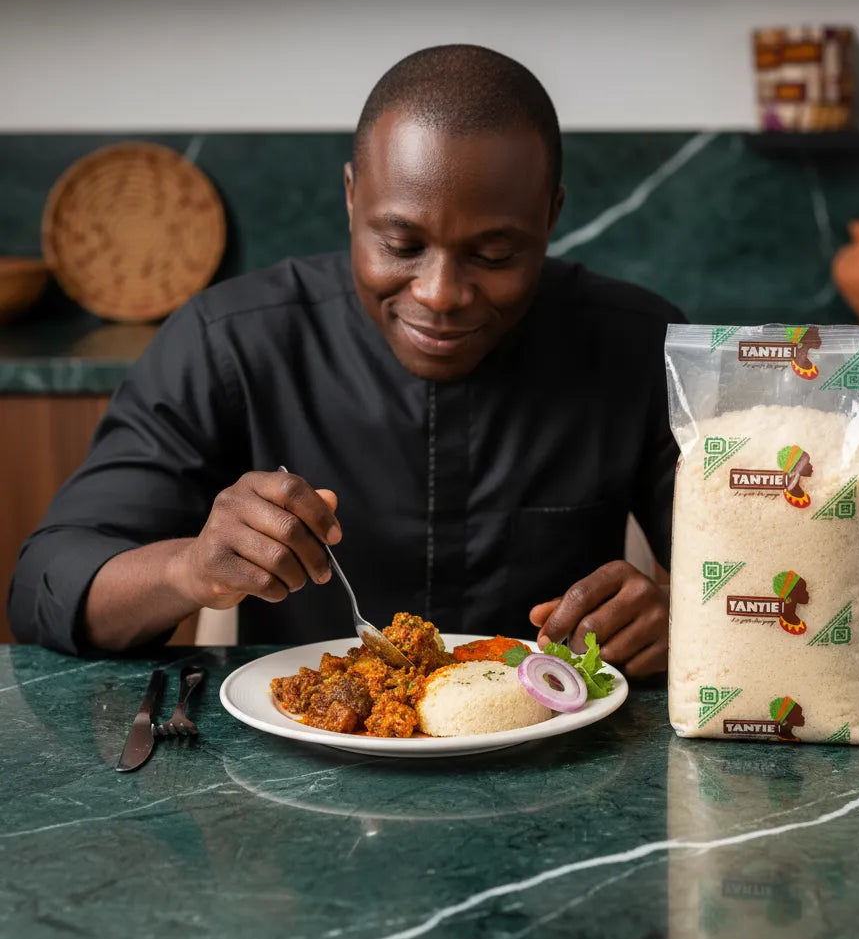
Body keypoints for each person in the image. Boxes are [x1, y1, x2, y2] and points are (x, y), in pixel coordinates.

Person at [8, 45, 683, 677]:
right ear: (352, 196)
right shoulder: (231, 343)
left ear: (550, 213)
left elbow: (767, 591)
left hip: (560, 761)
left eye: (495, 256)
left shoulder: (639, 346)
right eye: (399, 244)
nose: (439, 294)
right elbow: (48, 586)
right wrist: (188, 569)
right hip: (299, 769)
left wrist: (682, 619)